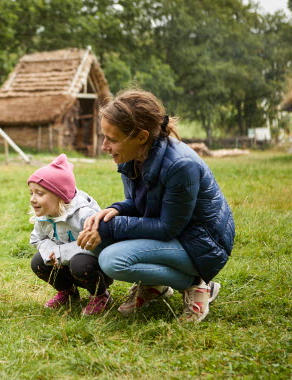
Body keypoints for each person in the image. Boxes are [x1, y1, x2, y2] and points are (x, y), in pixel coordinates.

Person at [77, 89, 235, 322]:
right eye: (104, 137)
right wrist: (117, 209)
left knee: (112, 260)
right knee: (96, 237)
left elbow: (168, 228)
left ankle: (198, 285)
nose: (104, 146)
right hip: (173, 236)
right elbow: (139, 203)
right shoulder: (132, 157)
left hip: (201, 245)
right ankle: (155, 285)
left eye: (112, 139)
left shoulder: (180, 165)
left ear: (141, 137)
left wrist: (113, 227)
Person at [28, 154, 114, 316]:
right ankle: (68, 292)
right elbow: (37, 239)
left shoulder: (84, 215)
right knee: (38, 262)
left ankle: (100, 295)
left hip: (95, 266)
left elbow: (97, 245)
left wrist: (62, 253)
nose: (33, 199)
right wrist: (50, 252)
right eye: (31, 193)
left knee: (80, 263)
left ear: (60, 196)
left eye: (39, 194)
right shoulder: (44, 214)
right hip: (64, 263)